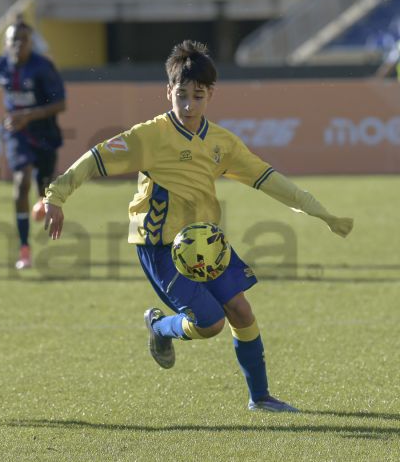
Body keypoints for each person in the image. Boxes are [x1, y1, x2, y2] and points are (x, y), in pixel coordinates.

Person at [42, 40, 354, 412]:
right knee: (210, 323)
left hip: (206, 242)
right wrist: (56, 197)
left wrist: (317, 210)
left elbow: (267, 178)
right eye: (182, 95)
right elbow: (94, 158)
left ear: (211, 96)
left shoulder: (222, 142)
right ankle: (160, 328)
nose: (189, 106)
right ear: (168, 92)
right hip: (160, 246)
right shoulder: (150, 136)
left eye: (198, 96)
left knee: (241, 311)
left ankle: (261, 398)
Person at [0, 20, 66, 270]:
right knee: (20, 182)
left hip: (45, 133)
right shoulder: (0, 64)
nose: (17, 45)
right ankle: (24, 248)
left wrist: (28, 115)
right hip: (16, 134)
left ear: (30, 43)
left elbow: (61, 105)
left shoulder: (43, 67)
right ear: (5, 43)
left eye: (22, 40)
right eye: (12, 40)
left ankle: (40, 199)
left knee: (44, 189)